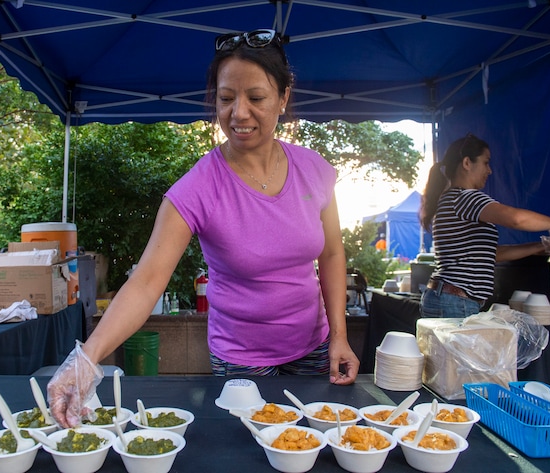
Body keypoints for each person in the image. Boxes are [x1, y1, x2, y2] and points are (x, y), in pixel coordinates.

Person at [47, 28, 360, 428]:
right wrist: (86, 359)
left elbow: (332, 253)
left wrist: (339, 334)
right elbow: (146, 282)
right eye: (226, 99)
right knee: (250, 453)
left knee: (313, 446)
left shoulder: (314, 170)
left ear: (283, 97)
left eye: (257, 98)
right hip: (242, 360)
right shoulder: (197, 188)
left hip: (316, 347)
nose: (239, 113)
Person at [418, 133, 550, 318]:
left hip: (449, 298)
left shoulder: (451, 200)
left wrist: (543, 246)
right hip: (454, 301)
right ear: (467, 163)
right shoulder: (465, 198)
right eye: (486, 162)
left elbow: (492, 254)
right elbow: (515, 219)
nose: (490, 171)